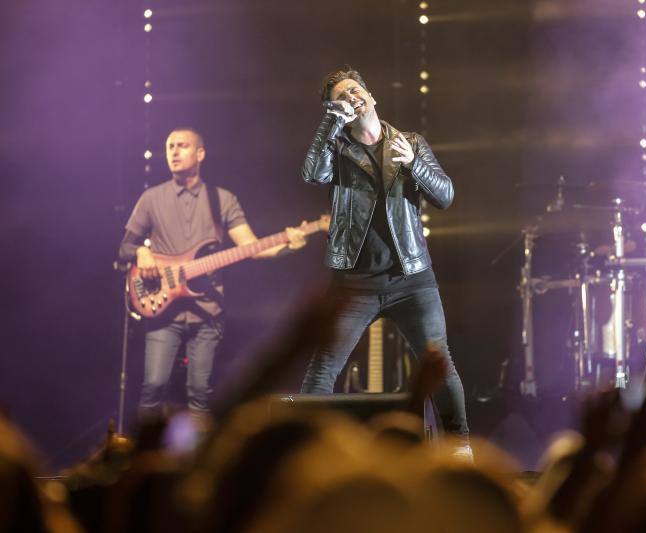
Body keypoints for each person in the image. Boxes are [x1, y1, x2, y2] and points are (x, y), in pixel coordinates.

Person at [299, 67, 470, 452]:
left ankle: (459, 449)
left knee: (440, 364)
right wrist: (330, 122)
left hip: (411, 279)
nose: (351, 99)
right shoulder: (338, 149)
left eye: (355, 91)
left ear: (370, 96)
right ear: (334, 109)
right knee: (323, 369)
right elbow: (313, 173)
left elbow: (445, 196)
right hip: (353, 285)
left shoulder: (410, 142)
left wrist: (414, 163)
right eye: (341, 97)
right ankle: (302, 452)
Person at [118, 126, 307, 426]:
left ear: (200, 153)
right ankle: (144, 460)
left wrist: (289, 246)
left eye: (182, 146)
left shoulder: (222, 200)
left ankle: (195, 462)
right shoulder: (151, 199)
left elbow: (251, 248)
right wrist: (141, 252)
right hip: (162, 310)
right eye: (170, 147)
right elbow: (124, 248)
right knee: (153, 386)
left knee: (200, 393)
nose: (174, 152)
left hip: (207, 312)